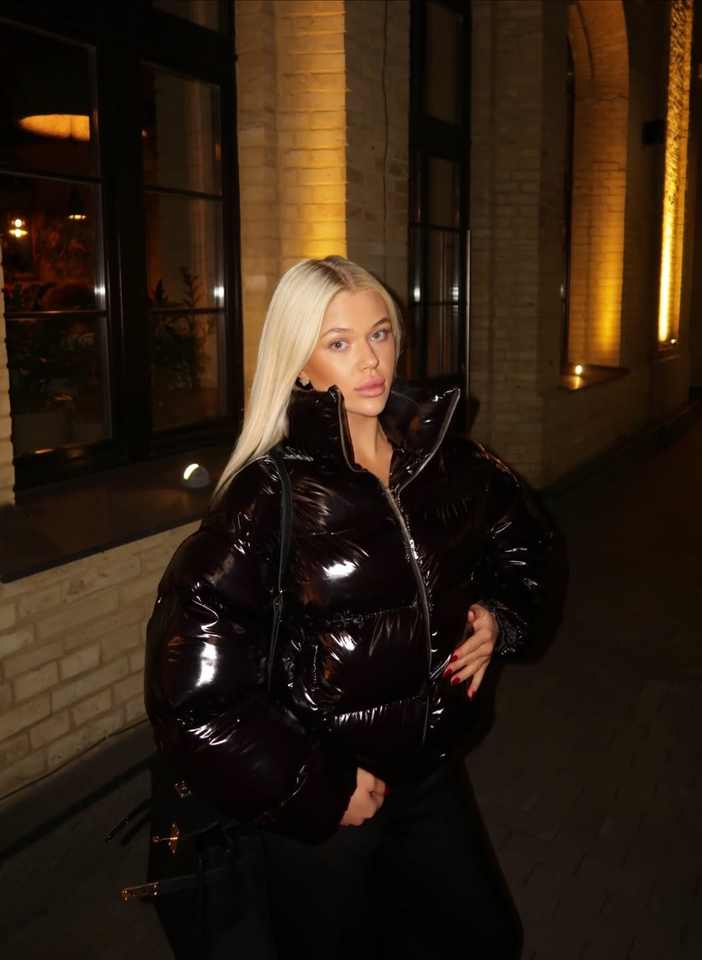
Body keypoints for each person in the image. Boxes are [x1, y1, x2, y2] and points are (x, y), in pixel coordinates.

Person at [144, 255, 555, 959]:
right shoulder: (266, 499)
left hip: (428, 773)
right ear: (298, 362)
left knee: (483, 937)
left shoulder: (446, 463)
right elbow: (190, 694)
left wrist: (501, 617)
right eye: (338, 342)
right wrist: (317, 788)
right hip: (326, 800)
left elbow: (532, 551)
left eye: (380, 334)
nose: (370, 361)